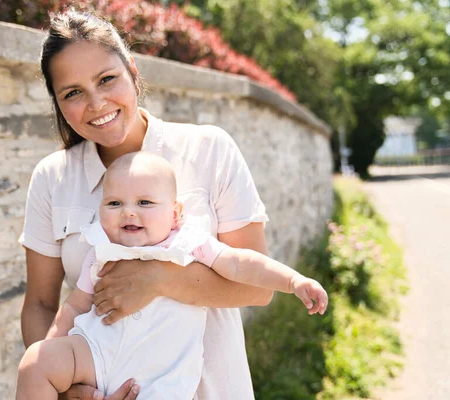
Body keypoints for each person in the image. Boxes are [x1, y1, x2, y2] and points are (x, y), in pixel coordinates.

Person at [20, 8, 282, 400]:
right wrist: (68, 391)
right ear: (57, 102)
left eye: (107, 79)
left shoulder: (208, 149)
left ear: (132, 70)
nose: (96, 103)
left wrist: (159, 280)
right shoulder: (51, 178)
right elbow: (40, 303)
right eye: (72, 92)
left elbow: (258, 289)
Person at [16, 152, 328, 400]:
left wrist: (292, 281)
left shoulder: (188, 242)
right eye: (114, 203)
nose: (128, 212)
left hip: (159, 377)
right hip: (95, 355)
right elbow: (74, 306)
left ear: (175, 213)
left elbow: (239, 263)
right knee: (35, 363)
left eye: (144, 203)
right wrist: (53, 351)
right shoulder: (101, 249)